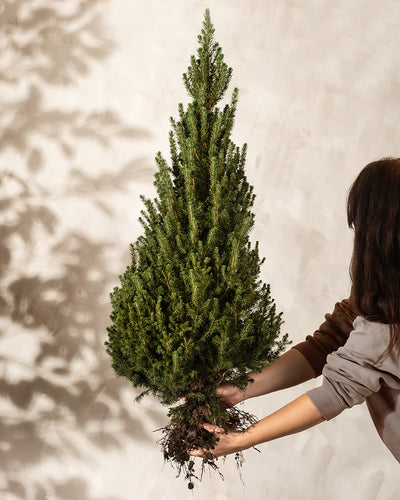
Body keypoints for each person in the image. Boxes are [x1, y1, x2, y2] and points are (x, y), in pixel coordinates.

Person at [189, 157, 400, 463]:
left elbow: (336, 392)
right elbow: (330, 340)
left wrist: (240, 440)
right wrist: (241, 389)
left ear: (374, 236)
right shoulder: (386, 294)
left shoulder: (388, 326)